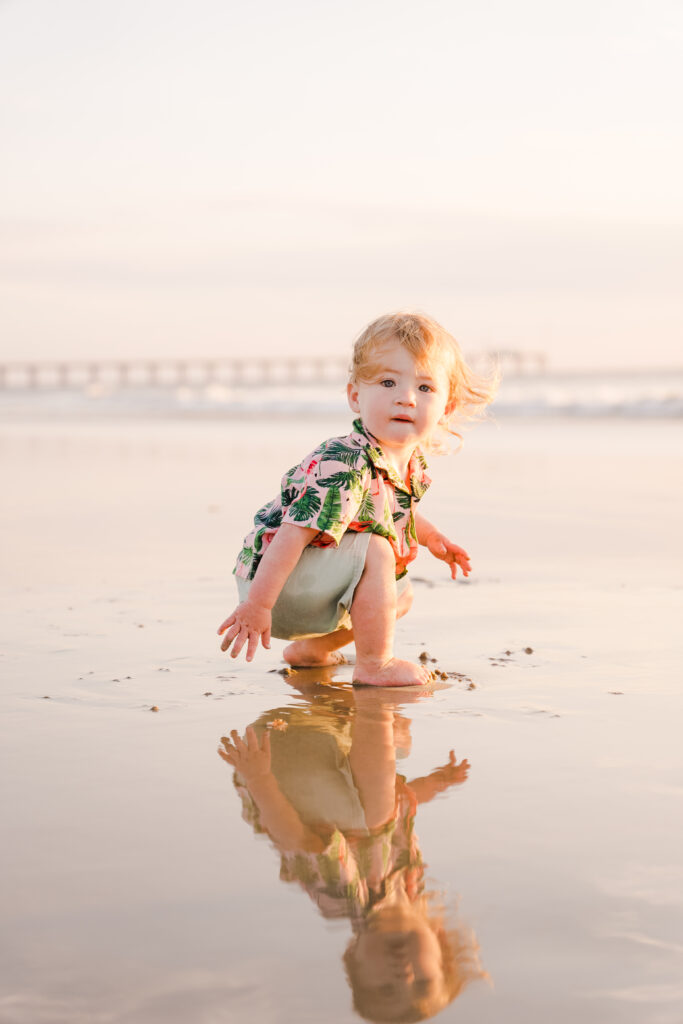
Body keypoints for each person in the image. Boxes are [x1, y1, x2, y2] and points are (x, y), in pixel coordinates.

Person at [218, 311, 497, 686]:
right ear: (355, 396)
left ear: (446, 408)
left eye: (426, 388)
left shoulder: (403, 463)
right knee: (378, 550)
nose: (406, 399)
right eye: (387, 382)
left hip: (307, 589)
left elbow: (391, 509)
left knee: (400, 595)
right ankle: (375, 665)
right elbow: (292, 534)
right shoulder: (344, 463)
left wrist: (432, 539)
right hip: (275, 586)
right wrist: (256, 606)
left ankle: (312, 650)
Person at [218, 683, 487, 1022]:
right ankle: (332, 679)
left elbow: (295, 836)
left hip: (275, 769)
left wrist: (258, 778)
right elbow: (401, 813)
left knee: (375, 813)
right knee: (399, 749)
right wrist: (437, 782)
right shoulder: (408, 882)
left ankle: (373, 703)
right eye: (422, 982)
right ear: (441, 946)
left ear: (353, 957)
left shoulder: (341, 899)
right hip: (316, 754)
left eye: (385, 988)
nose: (402, 975)